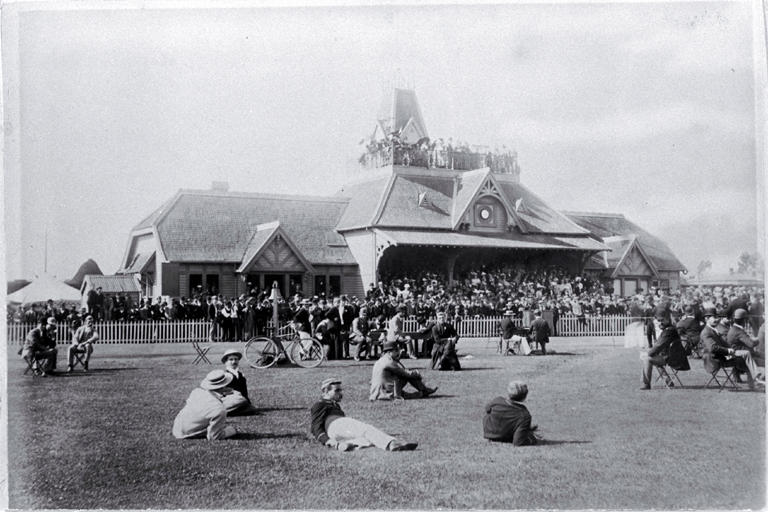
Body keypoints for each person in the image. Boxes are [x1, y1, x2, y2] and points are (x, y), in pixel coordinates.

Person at [311, 378, 418, 451]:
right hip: (335, 425)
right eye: (337, 390)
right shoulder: (319, 405)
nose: (340, 393)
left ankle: (347, 445)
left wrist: (336, 443)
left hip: (338, 432)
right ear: (326, 391)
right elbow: (316, 428)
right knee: (366, 429)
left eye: (341, 390)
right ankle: (392, 443)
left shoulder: (334, 405)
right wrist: (328, 441)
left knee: (367, 437)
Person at [172, 370, 238, 440]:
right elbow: (214, 436)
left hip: (177, 428)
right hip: (187, 433)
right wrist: (232, 430)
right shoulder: (219, 409)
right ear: (223, 387)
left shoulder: (196, 392)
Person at [639, 309, 690, 390]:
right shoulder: (668, 329)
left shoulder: (669, 330)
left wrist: (647, 354)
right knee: (653, 357)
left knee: (647, 359)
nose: (660, 323)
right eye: (658, 321)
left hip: (675, 359)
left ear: (667, 318)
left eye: (662, 320)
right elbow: (658, 346)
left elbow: (659, 346)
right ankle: (668, 381)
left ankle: (645, 384)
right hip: (673, 357)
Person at [370, 341, 438, 400]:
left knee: (409, 375)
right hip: (387, 392)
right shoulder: (389, 362)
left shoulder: (380, 361)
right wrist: (417, 373)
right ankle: (424, 391)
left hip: (376, 392)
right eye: (396, 351)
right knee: (409, 375)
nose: (398, 353)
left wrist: (396, 360)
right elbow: (405, 373)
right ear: (389, 352)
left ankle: (423, 392)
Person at [483, 380, 540, 446]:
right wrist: (532, 438)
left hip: (488, 432)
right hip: (505, 437)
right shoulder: (524, 415)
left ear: (509, 393)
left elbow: (487, 409)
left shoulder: (498, 400)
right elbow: (518, 442)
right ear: (524, 396)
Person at [725, 309, 764, 387]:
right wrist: (757, 339)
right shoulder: (738, 331)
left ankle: (758, 380)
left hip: (740, 354)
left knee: (763, 355)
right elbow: (751, 344)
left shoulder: (734, 329)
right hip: (740, 356)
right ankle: (759, 378)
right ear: (744, 320)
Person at [221, 349, 258, 415]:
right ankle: (221, 411)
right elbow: (222, 392)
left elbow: (244, 391)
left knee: (251, 407)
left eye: (236, 359)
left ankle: (235, 411)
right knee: (241, 401)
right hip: (228, 400)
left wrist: (248, 402)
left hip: (239, 400)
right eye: (231, 359)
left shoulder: (240, 375)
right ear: (226, 362)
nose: (234, 362)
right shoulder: (224, 375)